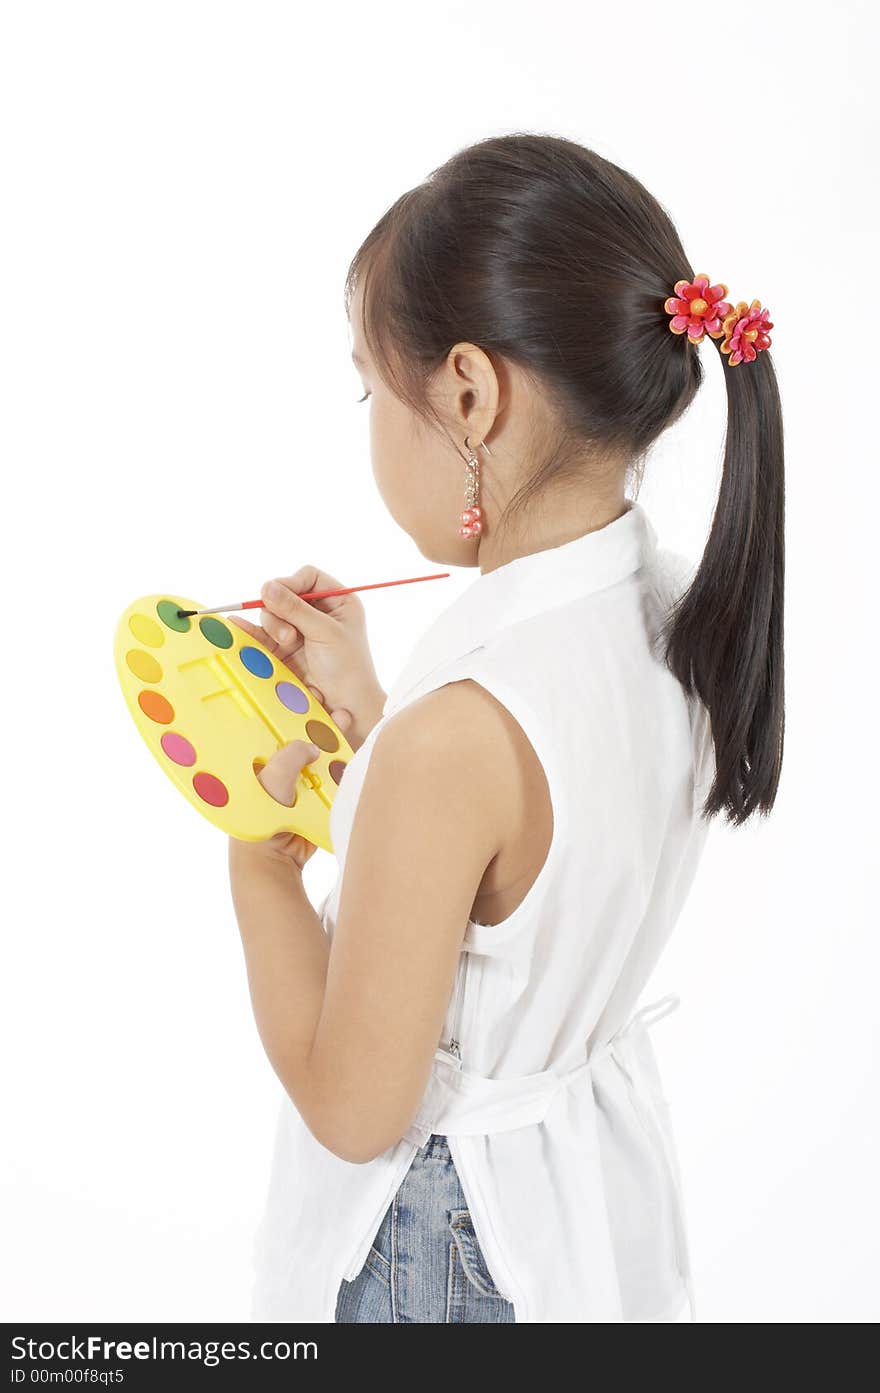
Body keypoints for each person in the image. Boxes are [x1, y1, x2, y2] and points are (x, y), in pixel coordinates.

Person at [227, 132, 785, 1323]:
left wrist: (259, 861)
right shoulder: (676, 612)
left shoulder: (457, 742)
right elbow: (526, 862)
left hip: (443, 1249)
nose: (370, 416)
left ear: (470, 394)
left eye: (371, 386)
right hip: (571, 1217)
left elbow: (352, 1101)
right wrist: (376, 726)